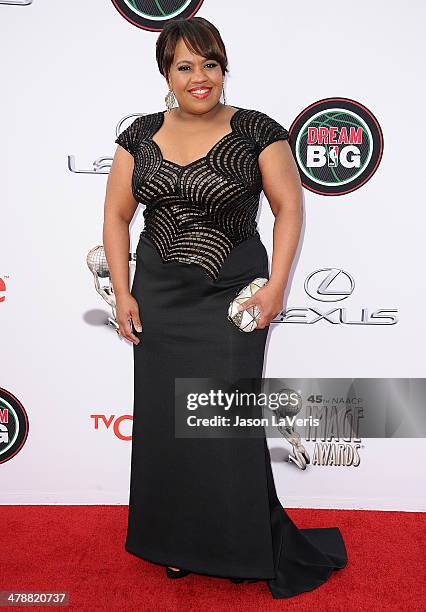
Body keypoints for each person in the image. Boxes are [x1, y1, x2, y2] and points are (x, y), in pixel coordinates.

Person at [103, 16, 347, 599]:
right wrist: (124, 291)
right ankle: (176, 544)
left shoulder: (257, 130)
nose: (199, 77)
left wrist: (277, 287)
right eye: (184, 66)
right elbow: (116, 215)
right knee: (168, 425)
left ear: (223, 68)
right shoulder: (139, 134)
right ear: (166, 72)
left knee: (219, 421)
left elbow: (289, 208)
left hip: (232, 299)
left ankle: (238, 546)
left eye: (209, 63)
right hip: (160, 299)